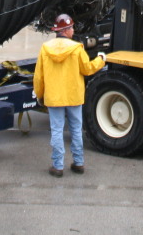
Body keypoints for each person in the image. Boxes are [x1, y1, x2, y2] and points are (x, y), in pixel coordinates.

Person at [33, 13, 106, 178]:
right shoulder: (76, 49)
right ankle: (78, 163)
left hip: (54, 97)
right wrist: (101, 59)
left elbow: (39, 76)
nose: (73, 30)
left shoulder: (45, 49)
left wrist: (39, 94)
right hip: (73, 97)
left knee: (57, 131)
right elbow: (87, 69)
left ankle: (58, 166)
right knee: (75, 129)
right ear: (65, 30)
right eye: (71, 27)